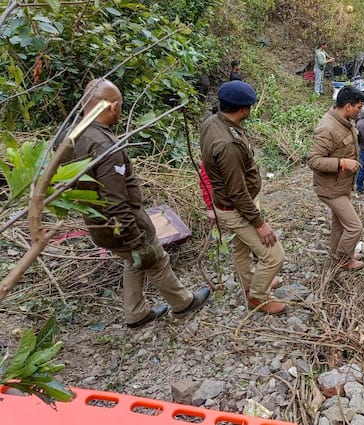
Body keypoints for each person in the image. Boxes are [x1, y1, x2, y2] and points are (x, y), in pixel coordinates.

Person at [71, 79, 210, 329]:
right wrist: (135, 238)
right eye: (121, 105)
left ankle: (136, 313)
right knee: (155, 258)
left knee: (134, 260)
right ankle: (183, 303)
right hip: (120, 224)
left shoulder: (71, 136)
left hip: (97, 223)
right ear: (113, 106)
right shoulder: (104, 146)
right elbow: (116, 202)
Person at [200, 80, 287, 315]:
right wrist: (260, 224)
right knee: (274, 255)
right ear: (243, 110)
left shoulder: (212, 122)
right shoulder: (228, 144)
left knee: (241, 248)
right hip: (235, 208)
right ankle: (258, 297)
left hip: (236, 202)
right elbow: (236, 192)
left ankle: (253, 283)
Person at [307, 86, 364, 271]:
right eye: (358, 107)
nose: (360, 111)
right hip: (331, 189)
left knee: (339, 223)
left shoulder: (345, 121)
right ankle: (343, 260)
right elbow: (314, 160)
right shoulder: (327, 128)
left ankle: (340, 253)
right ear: (348, 106)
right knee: (355, 227)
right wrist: (342, 162)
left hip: (342, 185)